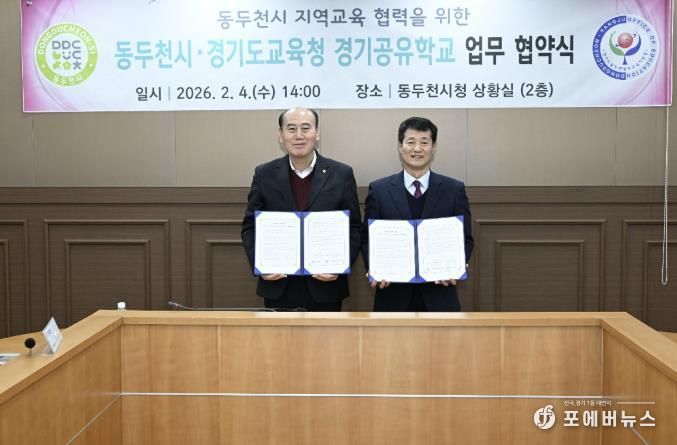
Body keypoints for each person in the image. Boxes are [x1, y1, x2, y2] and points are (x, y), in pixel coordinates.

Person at [241, 107, 361, 311]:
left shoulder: (341, 174)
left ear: (317, 133)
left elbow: (354, 228)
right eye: (291, 129)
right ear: (281, 134)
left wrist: (339, 266)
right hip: (278, 284)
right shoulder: (264, 174)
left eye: (306, 128)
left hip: (326, 286)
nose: (299, 135)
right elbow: (249, 227)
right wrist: (260, 265)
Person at [362, 116, 473, 311]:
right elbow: (367, 239)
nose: (417, 149)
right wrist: (375, 268)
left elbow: (466, 238)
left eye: (424, 142)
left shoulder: (453, 190)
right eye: (411, 142)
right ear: (400, 146)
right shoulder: (379, 190)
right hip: (392, 295)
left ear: (434, 147)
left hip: (440, 295)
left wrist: (455, 266)